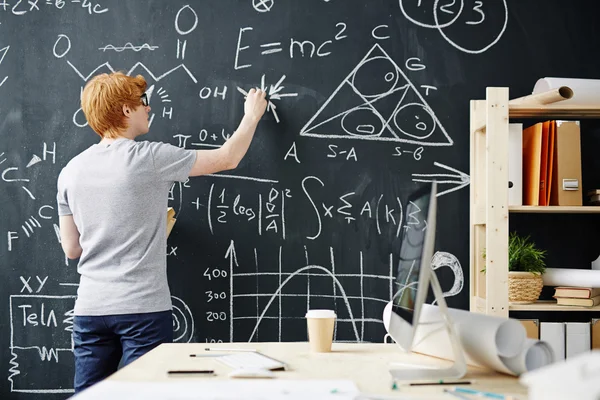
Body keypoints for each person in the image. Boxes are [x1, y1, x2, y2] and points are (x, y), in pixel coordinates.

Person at [56, 71, 267, 393]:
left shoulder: (70, 171)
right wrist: (252, 116)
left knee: (88, 394)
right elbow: (228, 158)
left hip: (90, 309)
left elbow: (72, 248)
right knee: (145, 394)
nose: (148, 108)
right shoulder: (149, 157)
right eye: (143, 102)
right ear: (126, 110)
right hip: (141, 307)